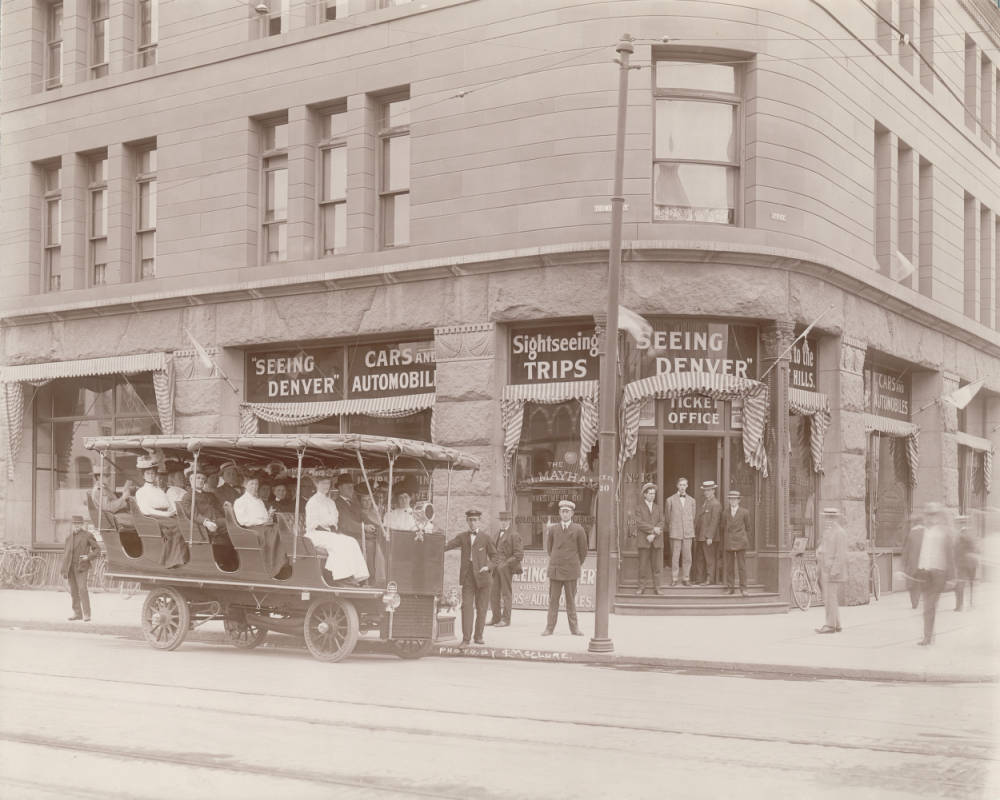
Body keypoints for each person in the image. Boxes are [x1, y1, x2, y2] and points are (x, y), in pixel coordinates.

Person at [305, 470, 370, 584]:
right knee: (339, 543)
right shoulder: (312, 502)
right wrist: (328, 522)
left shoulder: (330, 502)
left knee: (351, 541)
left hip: (329, 532)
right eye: (323, 483)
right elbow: (315, 522)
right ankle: (341, 576)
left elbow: (335, 519)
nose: (326, 486)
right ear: (317, 484)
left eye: (328, 483)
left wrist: (328, 522)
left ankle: (358, 575)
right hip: (315, 533)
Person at [445, 509, 497, 645]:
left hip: (483, 578)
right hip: (468, 578)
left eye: (475, 520)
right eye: (470, 520)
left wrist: (489, 566)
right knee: (467, 607)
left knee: (482, 608)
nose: (473, 523)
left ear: (479, 521)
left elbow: (496, 557)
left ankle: (478, 636)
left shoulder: (486, 538)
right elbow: (448, 546)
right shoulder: (462, 537)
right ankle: (466, 639)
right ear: (467, 521)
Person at [541, 500, 588, 636]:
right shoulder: (554, 529)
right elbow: (550, 549)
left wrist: (574, 564)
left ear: (572, 513)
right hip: (555, 570)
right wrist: (557, 560)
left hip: (571, 571)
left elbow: (583, 551)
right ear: (559, 513)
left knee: (571, 601)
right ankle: (549, 628)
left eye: (567, 511)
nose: (565, 514)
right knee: (553, 601)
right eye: (562, 511)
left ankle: (574, 629)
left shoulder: (578, 529)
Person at [134, 454, 187, 568]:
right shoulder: (141, 491)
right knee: (177, 527)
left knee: (185, 523)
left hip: (165, 515)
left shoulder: (159, 489)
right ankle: (171, 560)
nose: (151, 475)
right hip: (153, 518)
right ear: (143, 475)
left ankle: (181, 557)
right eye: (148, 473)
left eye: (153, 473)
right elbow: (146, 510)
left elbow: (167, 504)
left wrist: (172, 512)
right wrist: (166, 514)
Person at [916, 502, 955, 645]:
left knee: (930, 605)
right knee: (927, 605)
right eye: (929, 514)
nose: (931, 517)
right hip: (924, 572)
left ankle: (928, 637)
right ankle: (928, 636)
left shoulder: (944, 532)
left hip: (938, 572)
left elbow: (950, 556)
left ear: (939, 515)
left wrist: (951, 577)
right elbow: (914, 551)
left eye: (934, 514)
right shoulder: (921, 531)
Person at [61, 515, 101, 622]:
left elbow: (97, 549)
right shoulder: (68, 538)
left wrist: (88, 557)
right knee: (73, 590)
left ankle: (87, 614)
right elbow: (66, 554)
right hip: (70, 567)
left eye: (78, 524)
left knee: (82, 589)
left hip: (82, 567)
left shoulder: (88, 535)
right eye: (74, 524)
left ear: (82, 524)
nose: (76, 526)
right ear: (72, 525)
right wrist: (63, 570)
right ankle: (77, 613)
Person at [815, 507, 848, 634]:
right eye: (826, 517)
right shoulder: (828, 532)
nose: (828, 520)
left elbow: (841, 555)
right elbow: (824, 548)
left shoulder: (840, 533)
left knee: (830, 598)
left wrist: (834, 571)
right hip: (825, 569)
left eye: (831, 517)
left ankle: (830, 625)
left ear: (836, 518)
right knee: (830, 598)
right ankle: (837, 624)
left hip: (832, 571)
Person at [489, 510, 523, 626]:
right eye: (501, 520)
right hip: (495, 569)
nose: (503, 523)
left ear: (509, 521)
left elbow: (519, 555)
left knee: (506, 593)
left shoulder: (514, 535)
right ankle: (496, 618)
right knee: (493, 593)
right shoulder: (496, 534)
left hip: (506, 569)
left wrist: (506, 564)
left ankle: (505, 619)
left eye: (505, 520)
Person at [633, 483, 664, 595]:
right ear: (645, 495)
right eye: (650, 493)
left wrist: (654, 535)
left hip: (656, 540)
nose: (652, 496)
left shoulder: (658, 507)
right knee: (643, 566)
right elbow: (639, 523)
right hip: (644, 540)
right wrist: (652, 530)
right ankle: (641, 587)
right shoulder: (639, 508)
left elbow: (662, 522)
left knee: (657, 566)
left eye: (654, 494)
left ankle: (658, 588)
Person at [666, 477, 696, 586]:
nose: (682, 487)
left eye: (684, 485)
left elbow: (693, 517)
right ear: (677, 486)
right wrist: (674, 528)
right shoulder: (670, 500)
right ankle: (674, 578)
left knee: (687, 556)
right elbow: (668, 518)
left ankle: (686, 578)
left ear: (687, 486)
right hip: (675, 533)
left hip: (688, 533)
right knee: (675, 556)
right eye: (680, 485)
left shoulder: (692, 501)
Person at [722, 489, 751, 596]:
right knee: (729, 567)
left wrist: (741, 536)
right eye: (731, 499)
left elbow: (748, 527)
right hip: (729, 541)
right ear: (729, 501)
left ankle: (744, 589)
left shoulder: (745, 512)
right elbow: (722, 526)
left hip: (741, 542)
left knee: (742, 567)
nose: (732, 501)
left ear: (739, 500)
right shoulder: (725, 512)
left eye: (735, 499)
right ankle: (731, 588)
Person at [90, 466, 135, 530]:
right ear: (99, 477)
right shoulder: (99, 490)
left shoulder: (105, 488)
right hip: (112, 518)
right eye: (107, 476)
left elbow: (112, 501)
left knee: (137, 517)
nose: (109, 478)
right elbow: (109, 508)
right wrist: (123, 498)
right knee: (139, 521)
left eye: (109, 475)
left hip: (116, 515)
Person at [695, 480, 722, 585]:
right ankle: (699, 579)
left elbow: (714, 522)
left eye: (708, 490)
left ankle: (710, 579)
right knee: (701, 558)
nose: (706, 492)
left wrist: (710, 536)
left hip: (709, 537)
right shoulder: (706, 502)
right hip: (701, 536)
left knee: (709, 559)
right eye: (705, 490)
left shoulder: (715, 504)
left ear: (713, 491)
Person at [954, 515, 980, 612]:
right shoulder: (971, 535)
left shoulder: (958, 536)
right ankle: (970, 602)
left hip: (962, 564)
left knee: (960, 584)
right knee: (970, 584)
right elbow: (976, 549)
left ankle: (959, 605)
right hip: (971, 563)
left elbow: (955, 550)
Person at [901, 511, 925, 609]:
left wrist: (903, 562)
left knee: (912, 584)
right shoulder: (926, 533)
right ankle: (917, 599)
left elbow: (906, 550)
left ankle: (914, 602)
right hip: (923, 564)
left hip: (912, 564)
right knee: (919, 582)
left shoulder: (911, 534)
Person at [334, 474, 365, 548]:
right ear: (340, 488)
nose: (351, 489)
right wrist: (364, 527)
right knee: (370, 544)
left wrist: (378, 525)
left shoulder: (355, 503)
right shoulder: (337, 504)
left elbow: (363, 517)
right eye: (348, 487)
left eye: (352, 486)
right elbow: (346, 522)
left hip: (357, 535)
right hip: (345, 537)